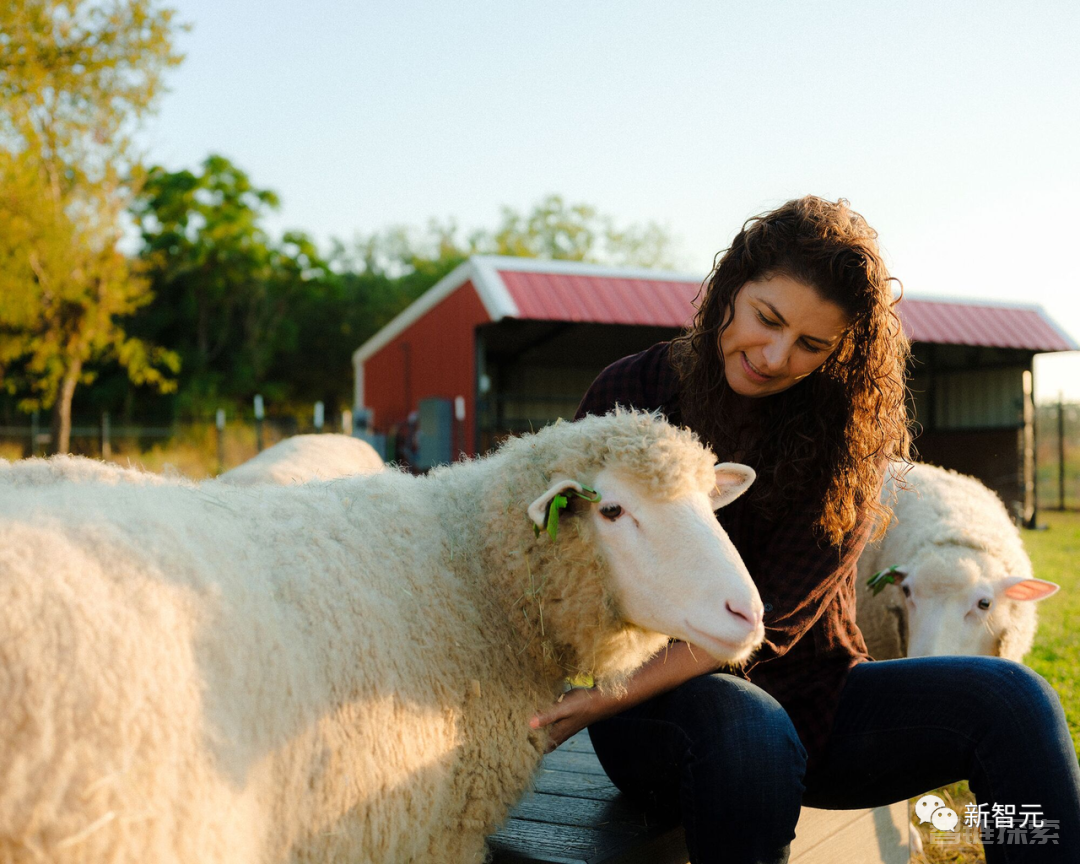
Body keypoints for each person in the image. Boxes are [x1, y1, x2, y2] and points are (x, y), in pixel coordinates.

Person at [529, 196, 1080, 864]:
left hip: (815, 698)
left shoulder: (846, 439)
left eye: (811, 345)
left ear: (839, 350)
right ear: (732, 288)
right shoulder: (637, 389)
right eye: (767, 319)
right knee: (747, 726)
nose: (775, 354)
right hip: (654, 701)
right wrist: (592, 699)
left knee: (1016, 701)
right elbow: (555, 548)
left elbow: (772, 622)